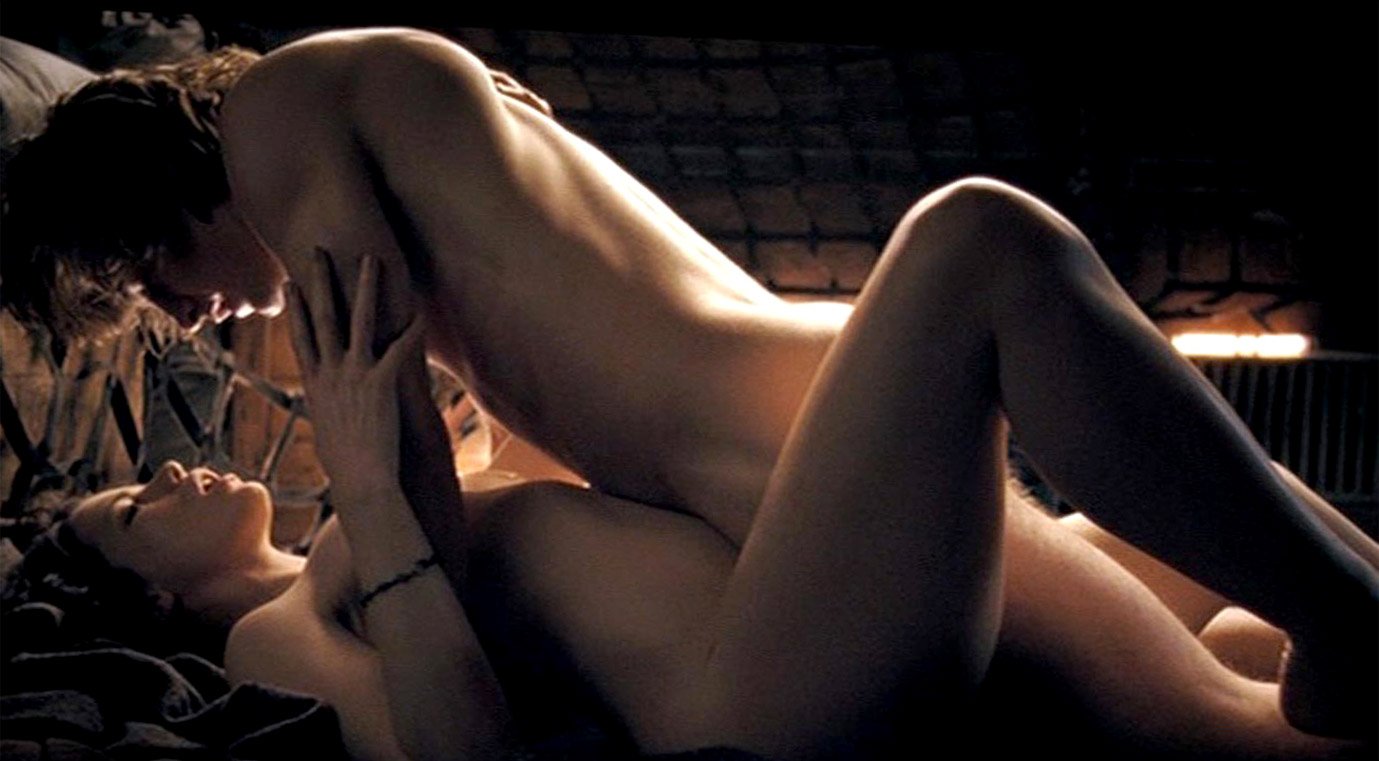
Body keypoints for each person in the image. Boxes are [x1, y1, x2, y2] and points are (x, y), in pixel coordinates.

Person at [3, 26, 1377, 759]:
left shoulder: (282, 114)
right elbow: (442, 596)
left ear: (139, 192)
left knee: (1241, 689)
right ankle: (1350, 621)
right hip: (779, 600)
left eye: (139, 272)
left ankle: (1344, 623)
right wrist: (398, 473)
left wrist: (417, 459)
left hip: (805, 504)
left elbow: (401, 438)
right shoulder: (314, 585)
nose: (177, 311)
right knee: (982, 244)